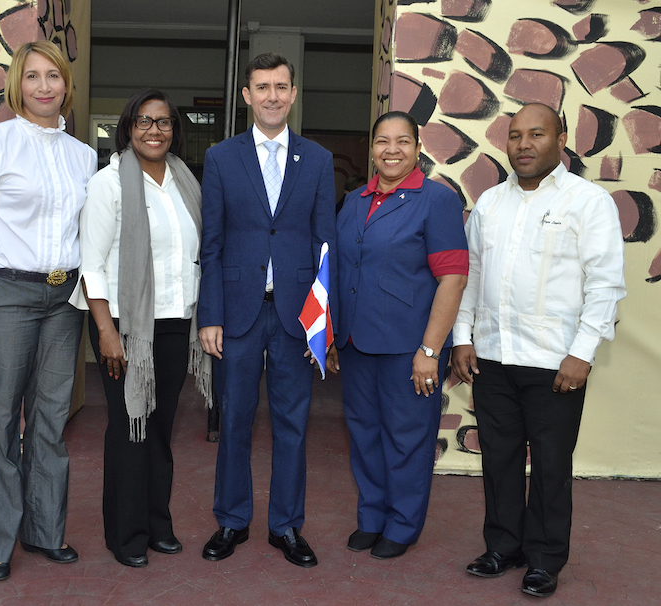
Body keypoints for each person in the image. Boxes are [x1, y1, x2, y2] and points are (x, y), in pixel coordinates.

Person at [451, 103, 626, 598]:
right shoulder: (489, 203)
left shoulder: (588, 202)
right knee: (499, 458)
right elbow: (473, 278)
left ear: (561, 138)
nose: (523, 144)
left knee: (551, 464)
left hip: (555, 361)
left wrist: (583, 352)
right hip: (492, 356)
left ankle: (545, 559)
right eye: (515, 136)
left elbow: (605, 284)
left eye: (536, 134)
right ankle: (504, 546)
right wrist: (463, 336)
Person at [0, 41, 96, 582]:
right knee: (1, 420)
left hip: (64, 300)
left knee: (51, 422)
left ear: (66, 84)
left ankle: (44, 532)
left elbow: (86, 231)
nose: (44, 87)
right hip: (4, 294)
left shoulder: (83, 155)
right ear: (17, 84)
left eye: (53, 76)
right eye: (32, 76)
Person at [197, 52, 336, 568]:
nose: (272, 95)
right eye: (262, 87)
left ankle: (286, 526)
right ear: (247, 96)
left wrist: (324, 322)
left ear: (294, 93)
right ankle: (231, 520)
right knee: (233, 419)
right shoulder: (220, 158)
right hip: (235, 314)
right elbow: (211, 243)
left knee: (293, 424)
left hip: (297, 318)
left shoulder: (318, 160)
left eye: (281, 86)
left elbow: (327, 245)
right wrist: (210, 314)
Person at [69, 89, 211, 568]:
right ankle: (125, 535)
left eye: (164, 122)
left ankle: (158, 524)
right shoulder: (108, 184)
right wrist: (107, 332)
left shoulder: (185, 181)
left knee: (160, 428)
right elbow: (91, 264)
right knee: (130, 428)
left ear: (175, 129)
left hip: (174, 322)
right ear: (128, 128)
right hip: (124, 327)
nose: (155, 130)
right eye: (145, 122)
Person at [326, 111, 468, 559]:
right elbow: (337, 271)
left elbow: (453, 279)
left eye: (402, 141)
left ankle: (403, 525)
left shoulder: (437, 201)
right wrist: (331, 336)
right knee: (364, 434)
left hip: (409, 346)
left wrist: (431, 349)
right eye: (383, 141)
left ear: (418, 147)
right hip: (355, 343)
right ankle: (371, 516)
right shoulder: (352, 201)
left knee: (407, 438)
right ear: (371, 148)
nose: (392, 149)